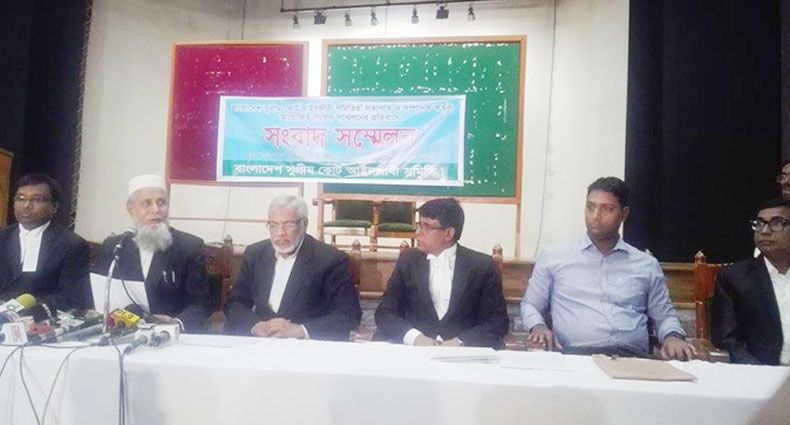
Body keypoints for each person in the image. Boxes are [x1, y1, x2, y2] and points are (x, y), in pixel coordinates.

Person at [521, 176, 695, 360]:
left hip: (633, 359)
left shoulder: (646, 265)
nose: (595, 216)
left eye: (607, 209)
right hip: (577, 357)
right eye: (590, 207)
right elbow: (530, 305)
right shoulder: (554, 257)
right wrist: (538, 327)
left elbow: (665, 316)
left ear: (624, 214)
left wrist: (672, 337)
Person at [375, 198, 509, 348]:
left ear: (448, 233)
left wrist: (460, 342)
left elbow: (498, 322)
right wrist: (415, 337)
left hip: (464, 353)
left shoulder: (481, 266)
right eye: (419, 225)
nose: (418, 233)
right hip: (415, 350)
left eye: (427, 227)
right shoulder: (408, 261)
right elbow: (385, 313)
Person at [225, 195, 361, 341]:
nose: (280, 233)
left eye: (288, 225)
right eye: (273, 225)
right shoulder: (255, 254)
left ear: (304, 224)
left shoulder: (330, 259)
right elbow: (235, 303)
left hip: (306, 346)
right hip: (260, 341)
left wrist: (300, 331)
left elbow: (349, 314)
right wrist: (255, 326)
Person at [97, 174, 210, 332]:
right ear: (131, 210)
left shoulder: (189, 247)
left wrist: (176, 323)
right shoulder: (116, 246)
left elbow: (201, 304)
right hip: (121, 332)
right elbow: (102, 296)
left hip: (169, 336)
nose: (156, 210)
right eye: (147, 203)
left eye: (161, 203)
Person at [711, 198, 790, 365]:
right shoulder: (734, 278)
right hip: (760, 372)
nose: (765, 231)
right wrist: (762, 373)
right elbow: (727, 339)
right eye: (759, 224)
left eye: (776, 223)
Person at [0, 174, 91, 309]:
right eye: (20, 198)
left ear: (54, 207)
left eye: (37, 199)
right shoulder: (3, 237)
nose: (26, 205)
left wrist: (21, 306)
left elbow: (73, 298)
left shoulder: (72, 245)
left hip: (40, 317)